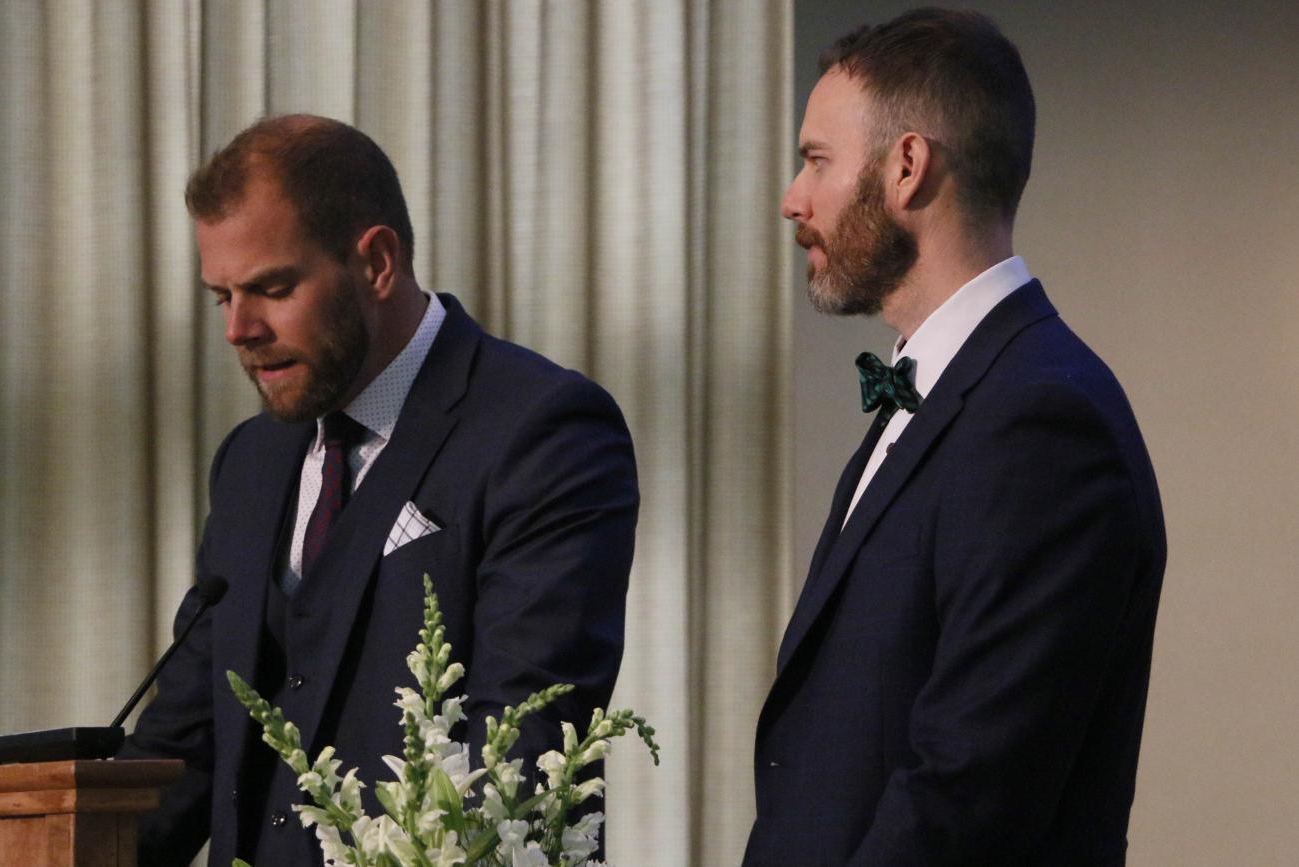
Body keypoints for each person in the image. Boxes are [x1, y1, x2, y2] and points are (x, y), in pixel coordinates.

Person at [121, 115, 639, 865]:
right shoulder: (250, 461)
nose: (239, 328)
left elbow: (520, 749)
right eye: (221, 296)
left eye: (271, 287)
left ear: (377, 261)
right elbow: (180, 750)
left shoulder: (544, 430)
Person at [745, 9, 1165, 865]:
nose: (793, 198)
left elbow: (967, 795)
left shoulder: (1043, 423)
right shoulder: (949, 391)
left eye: (817, 160)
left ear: (906, 167)